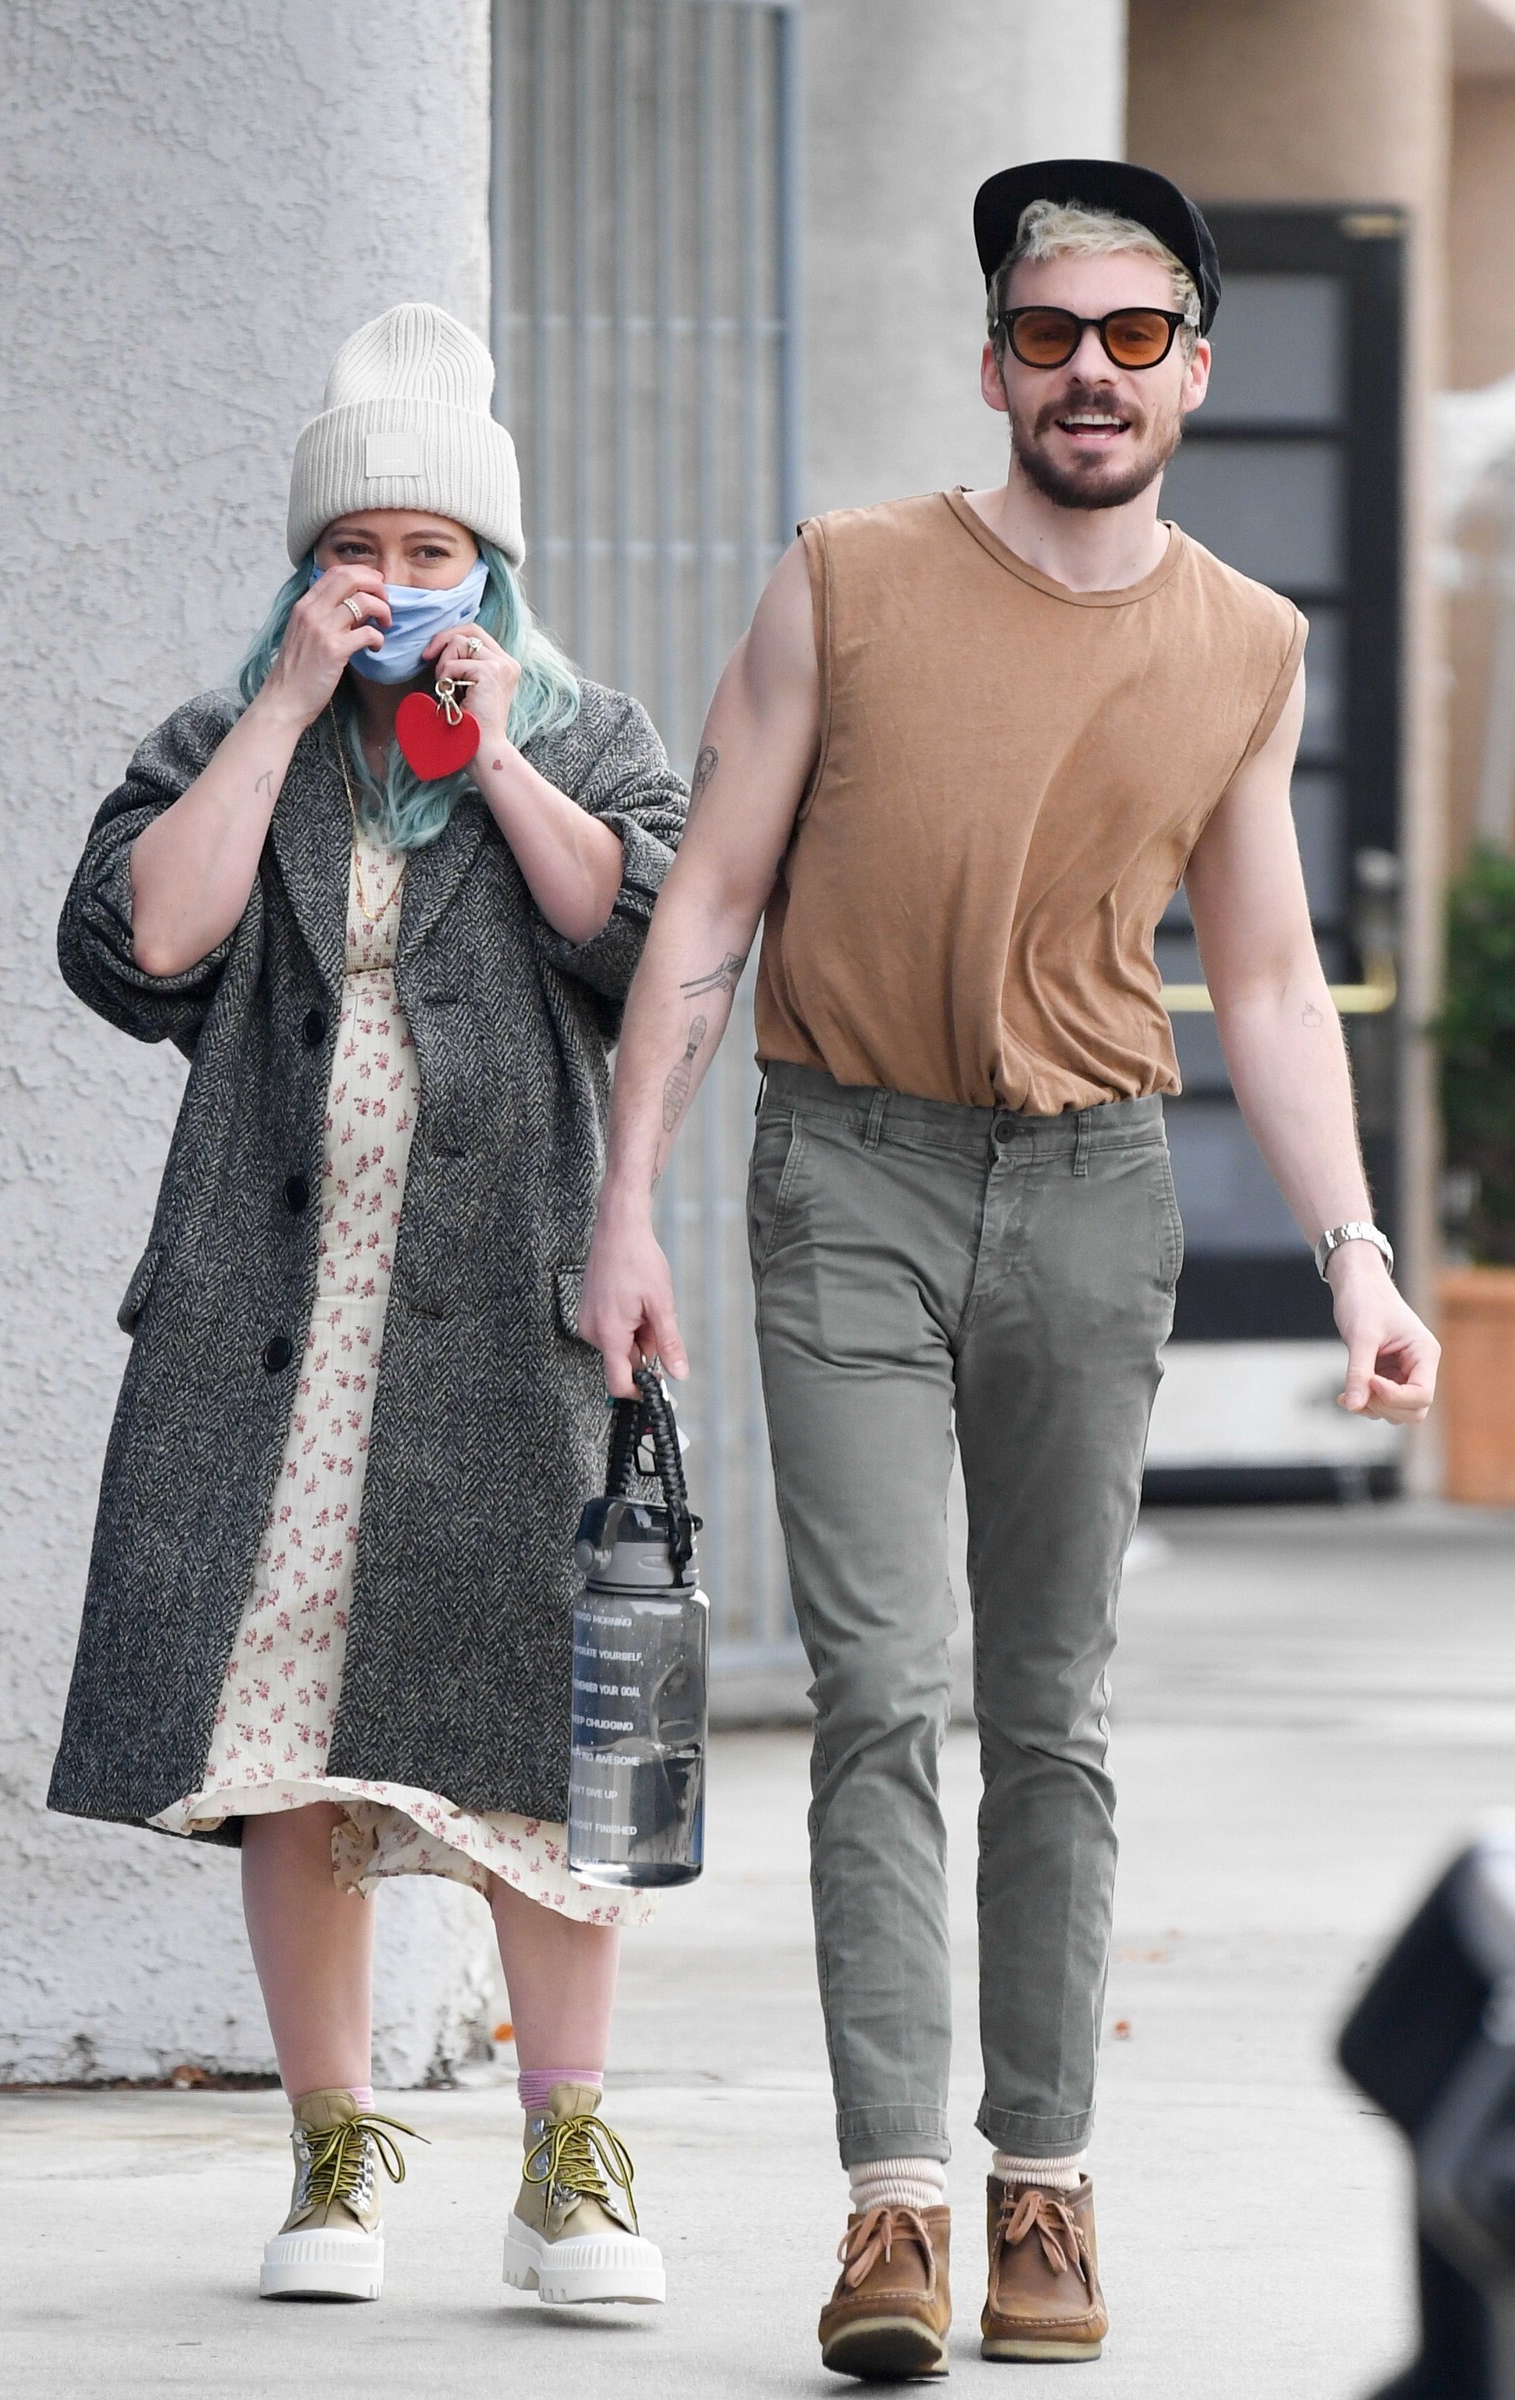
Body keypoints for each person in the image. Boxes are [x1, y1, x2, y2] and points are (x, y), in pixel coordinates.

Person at [580, 160, 1440, 2373]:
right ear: (993, 365)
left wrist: (1355, 1261)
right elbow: (708, 904)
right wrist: (625, 1205)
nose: (1088, 372)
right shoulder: (844, 581)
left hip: (1090, 1190)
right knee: (882, 1691)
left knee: (1052, 1710)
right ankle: (892, 2210)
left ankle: (1042, 2184)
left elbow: (1268, 978)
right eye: (1048, 334)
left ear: (1191, 374)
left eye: (1131, 337)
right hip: (848, 1177)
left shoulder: (1244, 643)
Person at [48, 303, 686, 2310]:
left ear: (494, 568)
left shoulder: (586, 733)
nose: (394, 585)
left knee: (541, 1751)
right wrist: (284, 707)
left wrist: (490, 754)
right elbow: (144, 946)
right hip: (277, 1322)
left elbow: (646, 943)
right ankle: (333, 2161)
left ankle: (568, 2166)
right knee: (287, 1741)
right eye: (356, 551)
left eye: (433, 553)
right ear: (304, 566)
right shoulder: (219, 735)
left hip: (505, 1317)